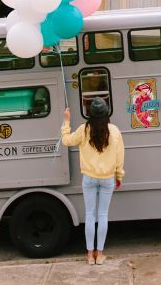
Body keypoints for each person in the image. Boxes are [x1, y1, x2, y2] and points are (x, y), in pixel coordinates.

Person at [61, 97, 124, 265]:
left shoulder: (84, 129)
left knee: (90, 215)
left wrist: (66, 121)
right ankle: (100, 254)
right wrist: (119, 176)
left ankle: (89, 255)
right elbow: (119, 158)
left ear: (90, 114)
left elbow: (66, 141)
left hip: (88, 178)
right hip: (107, 179)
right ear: (106, 113)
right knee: (102, 215)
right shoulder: (115, 131)